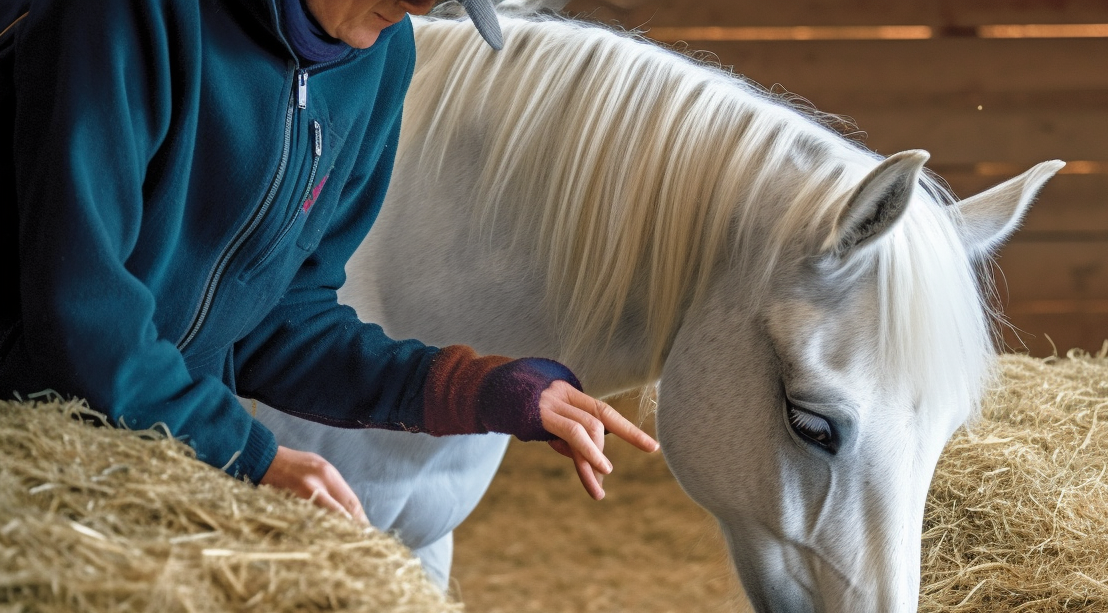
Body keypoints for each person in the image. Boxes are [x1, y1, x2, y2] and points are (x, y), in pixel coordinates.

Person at [0, 0, 656, 531]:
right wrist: (246, 455)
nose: (421, 4)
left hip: (138, 453)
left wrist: (482, 391)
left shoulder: (381, 56)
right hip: (26, 436)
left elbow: (283, 316)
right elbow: (81, 306)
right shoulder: (128, 17)